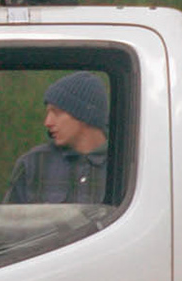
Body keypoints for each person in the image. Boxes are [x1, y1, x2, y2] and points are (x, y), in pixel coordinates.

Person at [8, 72, 110, 205]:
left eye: (56, 112)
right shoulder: (33, 164)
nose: (47, 122)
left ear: (84, 114)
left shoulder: (127, 168)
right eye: (48, 113)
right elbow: (11, 217)